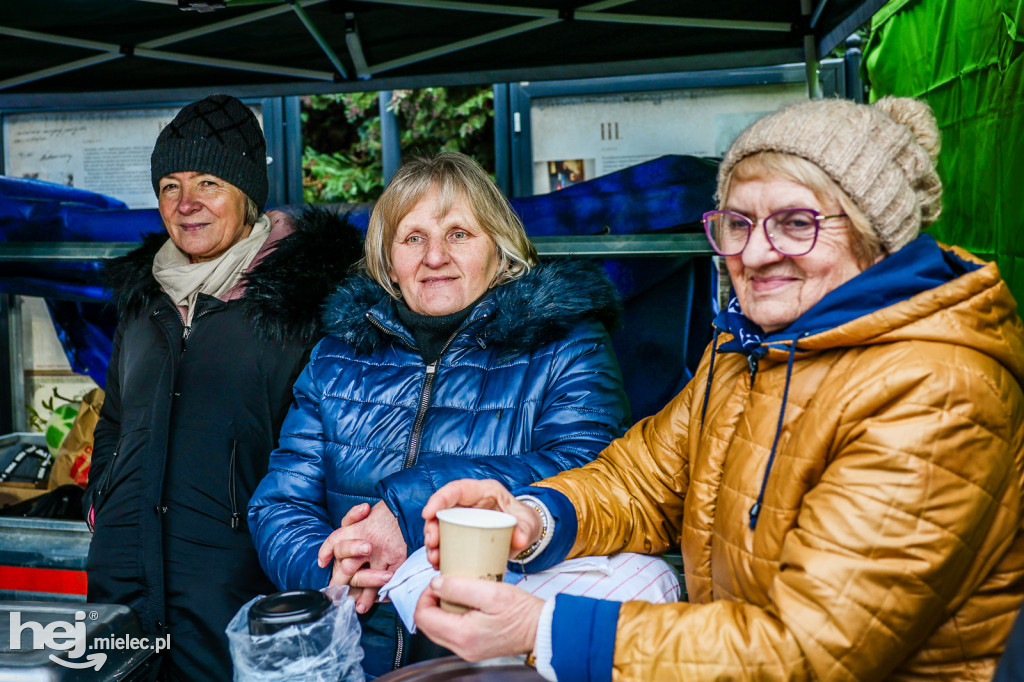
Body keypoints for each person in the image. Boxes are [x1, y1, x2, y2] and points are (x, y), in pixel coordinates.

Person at [413, 97, 1024, 681]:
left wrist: (543, 629)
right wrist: (532, 516)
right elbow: (644, 481)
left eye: (795, 224)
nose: (754, 254)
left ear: (876, 234)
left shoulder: (939, 391)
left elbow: (808, 651)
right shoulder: (750, 350)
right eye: (738, 223)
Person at [247, 151, 631, 678]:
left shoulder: (566, 343)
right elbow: (280, 503)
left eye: (458, 234)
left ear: (499, 248)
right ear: (388, 261)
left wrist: (409, 505)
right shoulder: (337, 356)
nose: (434, 257)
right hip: (357, 653)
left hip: (496, 657)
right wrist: (333, 567)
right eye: (413, 238)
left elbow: (592, 471)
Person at [82, 93, 363, 682]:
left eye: (208, 183)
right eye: (170, 186)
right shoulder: (143, 301)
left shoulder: (302, 303)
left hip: (237, 584)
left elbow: (335, 446)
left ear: (247, 195)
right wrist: (102, 501)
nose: (186, 204)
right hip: (123, 578)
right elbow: (115, 419)